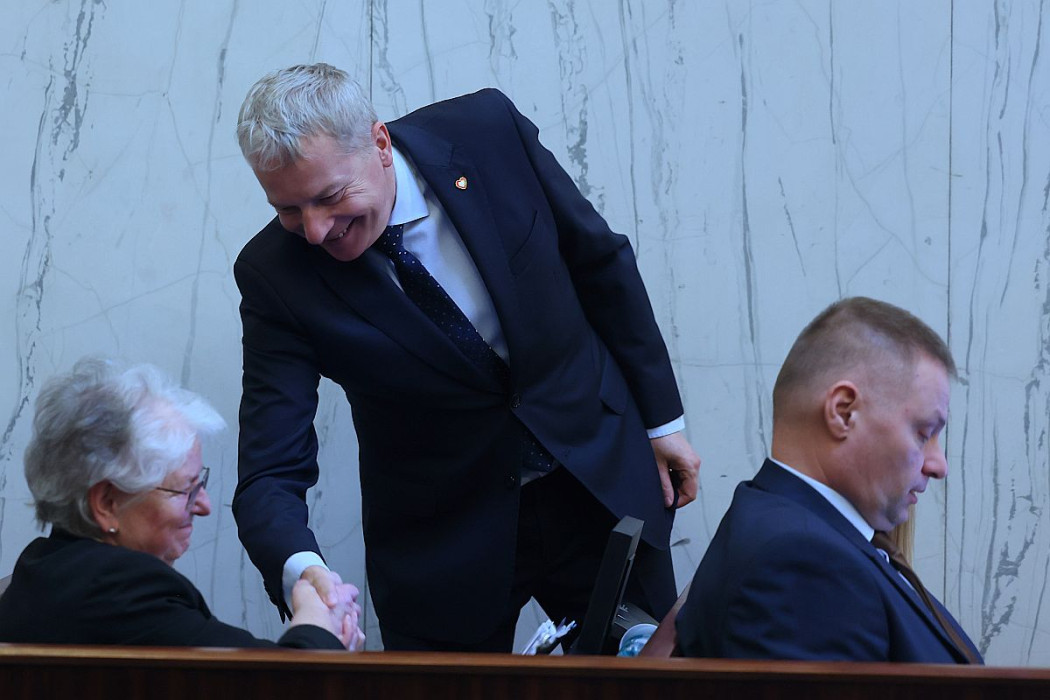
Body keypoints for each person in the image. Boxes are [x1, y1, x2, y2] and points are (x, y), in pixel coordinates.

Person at [232, 63, 701, 651]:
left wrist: (662, 423)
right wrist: (303, 572)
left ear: (380, 144)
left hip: (599, 487)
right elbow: (270, 469)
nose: (316, 231)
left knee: (654, 677)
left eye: (330, 197)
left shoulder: (488, 133)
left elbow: (599, 262)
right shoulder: (274, 276)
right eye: (288, 211)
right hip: (443, 548)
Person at [676, 297, 983, 663]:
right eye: (923, 432)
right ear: (843, 412)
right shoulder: (802, 562)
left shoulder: (800, 531)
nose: (938, 465)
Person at [0, 357, 364, 650]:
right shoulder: (123, 591)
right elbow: (276, 684)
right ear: (107, 502)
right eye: (186, 490)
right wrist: (319, 626)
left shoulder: (37, 572)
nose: (204, 506)